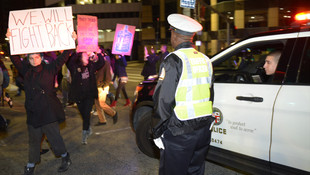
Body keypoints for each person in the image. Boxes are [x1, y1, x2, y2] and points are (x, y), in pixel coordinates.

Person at [151, 14, 215, 175]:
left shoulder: (174, 60)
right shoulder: (206, 60)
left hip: (179, 132)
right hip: (203, 129)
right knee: (195, 171)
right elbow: (210, 93)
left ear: (174, 33)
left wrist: (157, 131)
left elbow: (163, 100)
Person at [6, 29, 76, 175]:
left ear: (41, 57)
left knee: (54, 138)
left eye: (36, 57)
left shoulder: (50, 68)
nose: (34, 60)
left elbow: (64, 57)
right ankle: (31, 165)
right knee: (34, 140)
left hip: (48, 111)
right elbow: (14, 58)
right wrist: (10, 40)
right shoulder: (25, 70)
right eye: (31, 58)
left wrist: (72, 41)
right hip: (33, 112)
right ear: (28, 59)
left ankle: (65, 157)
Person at [66, 50, 104, 144]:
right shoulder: (74, 67)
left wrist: (98, 52)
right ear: (80, 58)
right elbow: (68, 61)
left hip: (89, 95)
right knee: (84, 114)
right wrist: (76, 50)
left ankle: (84, 135)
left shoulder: (91, 65)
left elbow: (101, 63)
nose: (87, 56)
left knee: (87, 114)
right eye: (85, 56)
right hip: (79, 95)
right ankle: (88, 127)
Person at [94, 47, 118, 126]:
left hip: (103, 86)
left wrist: (105, 84)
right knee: (97, 104)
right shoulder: (95, 63)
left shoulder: (105, 63)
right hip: (97, 86)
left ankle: (113, 113)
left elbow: (108, 76)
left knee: (101, 103)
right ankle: (102, 120)